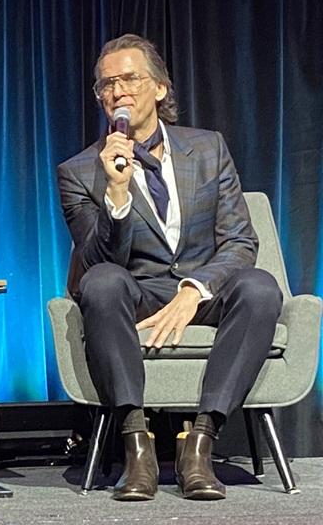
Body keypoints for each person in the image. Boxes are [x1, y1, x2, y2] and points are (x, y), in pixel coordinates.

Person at [57, 34, 282, 501]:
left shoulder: (208, 149)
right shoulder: (79, 172)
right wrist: (116, 196)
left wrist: (193, 290)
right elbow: (97, 260)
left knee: (260, 288)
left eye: (130, 79)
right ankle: (136, 442)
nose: (118, 92)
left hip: (200, 294)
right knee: (100, 283)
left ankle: (199, 442)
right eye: (106, 85)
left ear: (159, 88)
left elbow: (241, 241)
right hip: (137, 296)